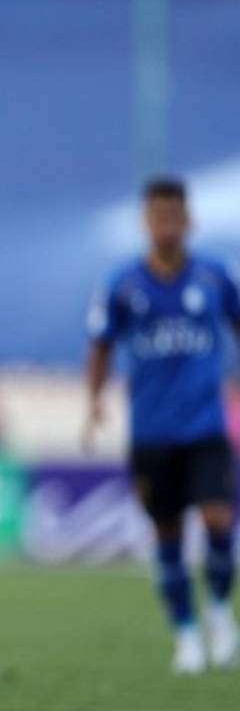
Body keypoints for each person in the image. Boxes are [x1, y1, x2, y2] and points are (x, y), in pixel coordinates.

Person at [85, 177, 239, 675]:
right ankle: (186, 636)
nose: (166, 225)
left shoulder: (215, 276)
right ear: (145, 222)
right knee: (167, 534)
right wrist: (94, 401)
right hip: (151, 432)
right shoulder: (123, 284)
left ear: (188, 220)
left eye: (174, 215)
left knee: (219, 520)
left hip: (206, 426)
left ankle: (219, 610)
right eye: (157, 216)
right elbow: (101, 344)